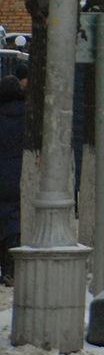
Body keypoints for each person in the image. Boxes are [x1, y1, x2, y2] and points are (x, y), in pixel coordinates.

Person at [0, 74, 26, 285]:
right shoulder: (30, 116)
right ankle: (12, 268)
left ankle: (4, 267)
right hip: (22, 176)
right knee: (16, 219)